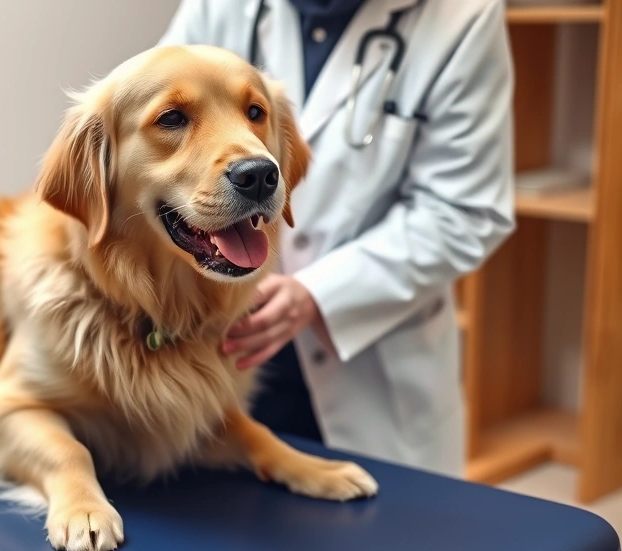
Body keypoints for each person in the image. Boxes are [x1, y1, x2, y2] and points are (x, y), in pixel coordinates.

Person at [158, 0, 516, 476]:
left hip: (370, 368)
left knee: (376, 535)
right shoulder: (218, 8)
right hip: (217, 360)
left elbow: (465, 210)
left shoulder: (463, 17)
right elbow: (156, 125)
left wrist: (317, 293)